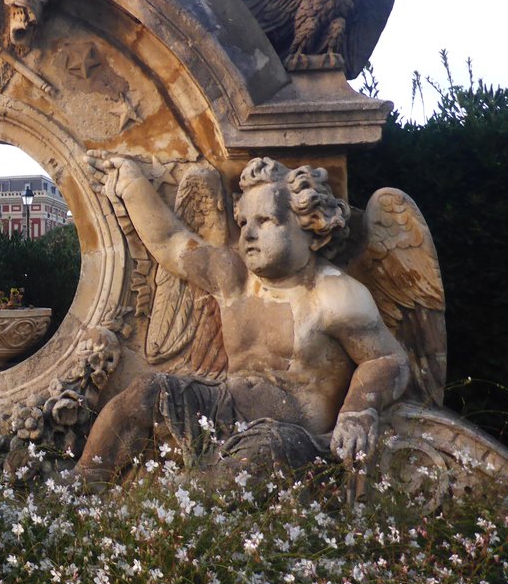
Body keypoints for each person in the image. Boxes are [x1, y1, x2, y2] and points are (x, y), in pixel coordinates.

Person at [75, 155, 409, 487]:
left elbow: (387, 359)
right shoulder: (234, 278)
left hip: (292, 436)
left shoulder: (335, 296)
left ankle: (184, 503)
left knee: (260, 454)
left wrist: (357, 409)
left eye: (265, 221)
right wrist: (132, 185)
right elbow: (170, 242)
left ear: (312, 229)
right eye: (245, 222)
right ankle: (84, 486)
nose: (248, 234)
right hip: (221, 408)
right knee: (146, 392)